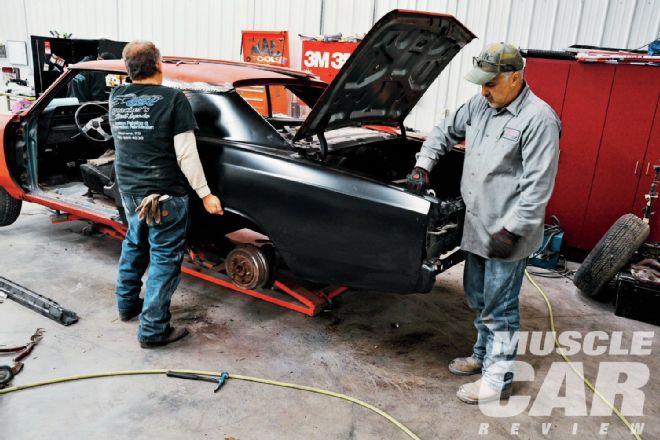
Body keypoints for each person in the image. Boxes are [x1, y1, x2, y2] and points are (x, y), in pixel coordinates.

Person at [407, 42, 561, 404]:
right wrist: (423, 163)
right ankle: (482, 354)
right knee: (478, 299)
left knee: (501, 306)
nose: (484, 90)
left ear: (515, 78)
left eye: (491, 83)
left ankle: (498, 378)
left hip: (508, 233)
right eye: (482, 83)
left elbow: (538, 186)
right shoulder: (481, 105)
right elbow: (445, 130)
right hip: (476, 227)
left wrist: (514, 229)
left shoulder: (538, 119)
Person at [109, 41, 223, 348]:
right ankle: (153, 330)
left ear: (128, 69)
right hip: (164, 198)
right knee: (163, 261)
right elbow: (186, 154)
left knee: (134, 246)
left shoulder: (116, 97)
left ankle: (127, 306)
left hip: (131, 193)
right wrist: (206, 194)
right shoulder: (173, 99)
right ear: (159, 65)